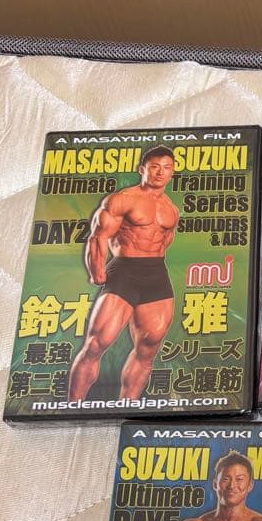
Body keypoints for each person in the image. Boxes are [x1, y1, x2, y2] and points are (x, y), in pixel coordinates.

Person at [68, 146, 179, 400]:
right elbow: (98, 237)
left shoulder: (171, 209)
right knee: (96, 344)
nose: (160, 172)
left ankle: (127, 404)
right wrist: (97, 270)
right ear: (142, 170)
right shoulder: (123, 199)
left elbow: (165, 241)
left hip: (156, 274)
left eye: (166, 168)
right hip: (125, 271)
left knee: (148, 348)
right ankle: (73, 405)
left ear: (172, 173)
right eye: (154, 167)